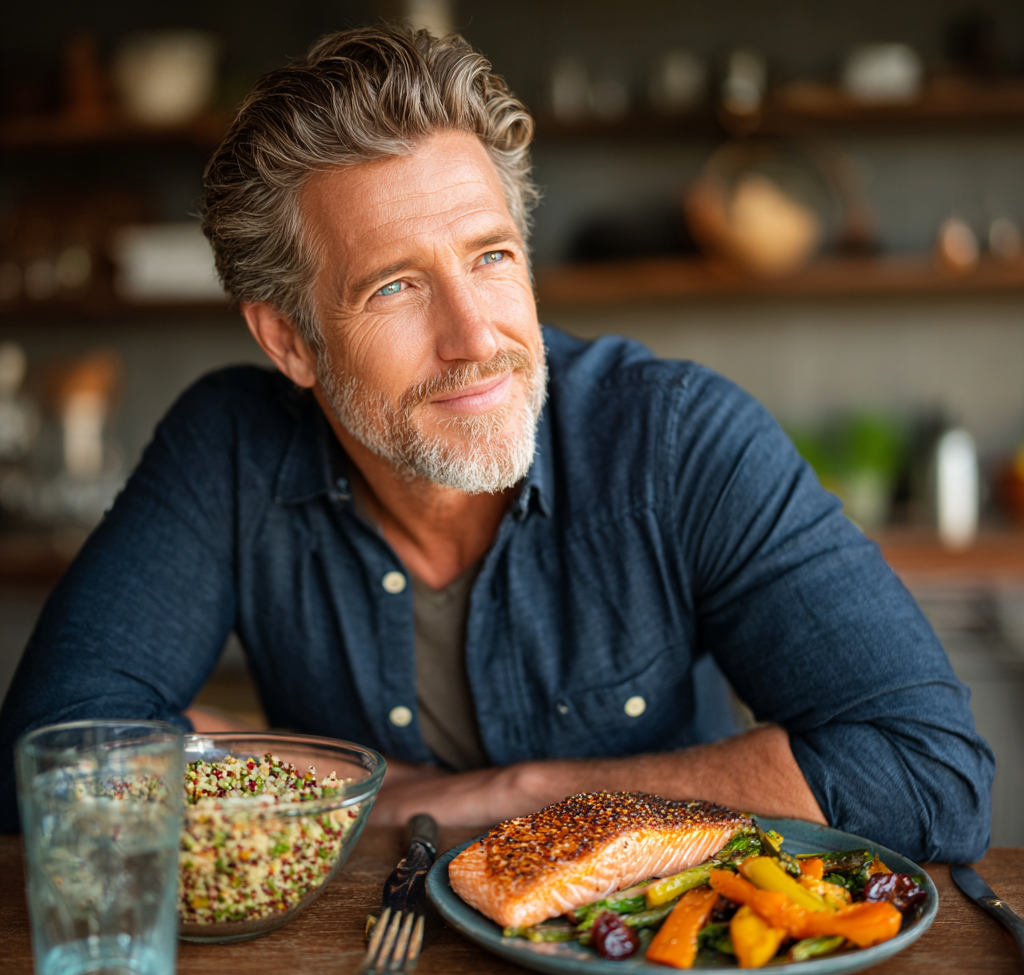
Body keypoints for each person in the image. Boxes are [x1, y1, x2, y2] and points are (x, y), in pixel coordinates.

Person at [0, 26, 993, 861]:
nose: (476, 337)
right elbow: (46, 766)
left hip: (658, 971)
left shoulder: (676, 437)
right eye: (394, 284)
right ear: (290, 340)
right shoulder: (230, 449)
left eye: (490, 257)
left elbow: (929, 775)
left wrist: (480, 792)